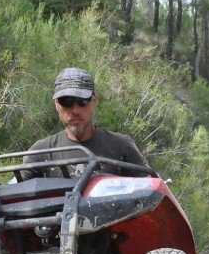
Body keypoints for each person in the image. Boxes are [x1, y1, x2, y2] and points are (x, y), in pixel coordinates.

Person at [19, 67, 150, 180]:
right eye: (66, 101)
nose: (75, 110)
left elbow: (152, 190)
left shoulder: (121, 146)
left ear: (95, 100)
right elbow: (14, 195)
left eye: (82, 101)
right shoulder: (41, 153)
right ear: (56, 105)